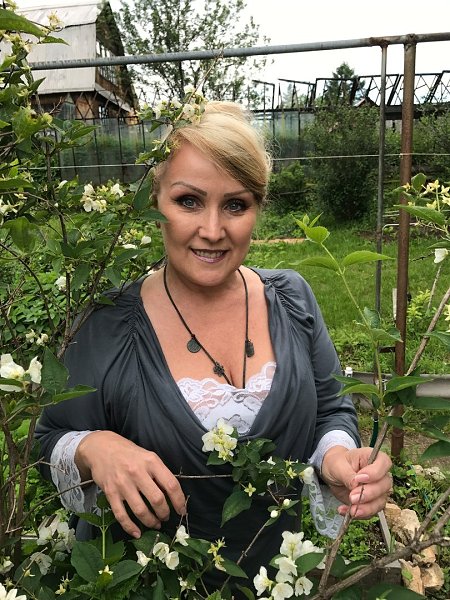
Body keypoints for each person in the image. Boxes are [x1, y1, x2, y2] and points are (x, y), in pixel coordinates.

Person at [35, 100, 392, 592]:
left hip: (267, 579)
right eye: (188, 201)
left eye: (235, 205)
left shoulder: (292, 300)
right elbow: (47, 440)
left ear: (258, 209)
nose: (212, 230)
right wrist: (95, 447)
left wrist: (336, 459)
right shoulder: (108, 322)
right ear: (155, 201)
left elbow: (331, 409)